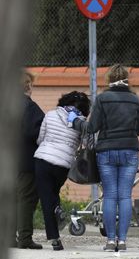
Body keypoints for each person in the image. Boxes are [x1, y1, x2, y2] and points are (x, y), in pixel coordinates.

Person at [68, 64, 139, 251]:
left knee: (110, 195)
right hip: (129, 150)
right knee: (125, 196)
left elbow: (91, 127)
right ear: (127, 78)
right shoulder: (136, 100)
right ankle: (123, 240)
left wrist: (75, 121)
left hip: (107, 151)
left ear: (109, 79)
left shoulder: (103, 99)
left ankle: (111, 241)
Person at [34, 91, 90, 250]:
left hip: (43, 160)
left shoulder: (50, 114)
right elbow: (86, 142)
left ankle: (55, 239)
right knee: (53, 193)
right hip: (63, 165)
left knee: (46, 199)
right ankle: (57, 209)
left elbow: (40, 138)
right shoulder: (81, 121)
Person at [14, 71, 45, 249]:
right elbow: (34, 132)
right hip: (25, 160)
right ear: (28, 86)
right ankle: (25, 238)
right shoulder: (30, 107)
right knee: (26, 199)